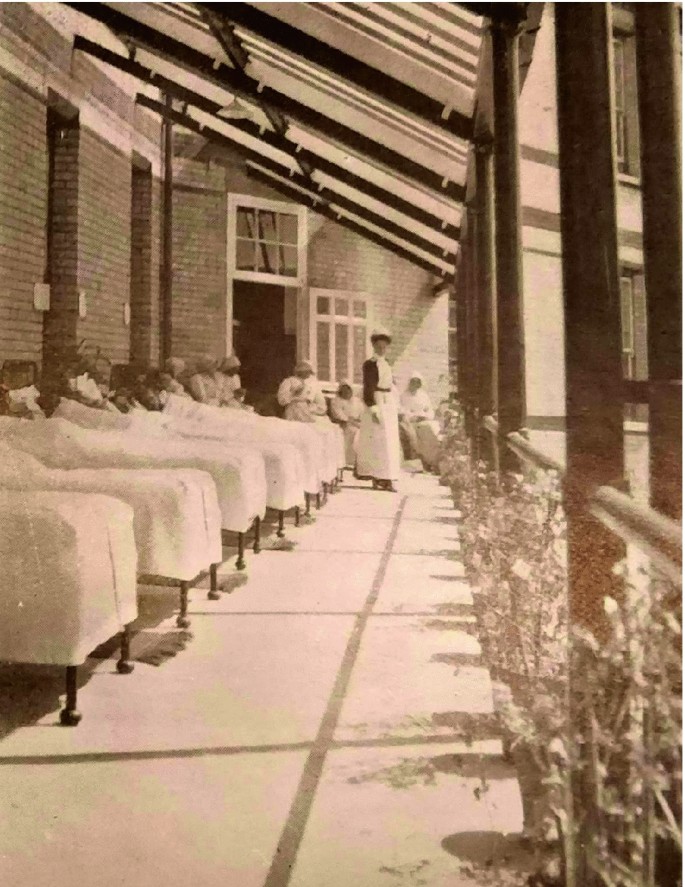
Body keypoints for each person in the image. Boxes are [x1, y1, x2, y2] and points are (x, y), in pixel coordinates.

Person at [356, 328, 401, 492]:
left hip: (388, 403)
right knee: (377, 442)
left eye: (384, 346)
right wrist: (373, 408)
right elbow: (368, 386)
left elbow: (391, 385)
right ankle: (377, 477)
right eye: (379, 346)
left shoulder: (387, 363)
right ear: (374, 346)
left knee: (389, 442)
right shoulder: (369, 364)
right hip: (376, 401)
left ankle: (388, 478)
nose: (381, 349)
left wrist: (395, 404)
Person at [399, 372, 441, 471]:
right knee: (413, 434)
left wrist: (425, 416)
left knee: (431, 430)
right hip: (410, 422)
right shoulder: (404, 396)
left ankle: (431, 460)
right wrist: (412, 416)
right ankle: (418, 460)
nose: (415, 385)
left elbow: (429, 410)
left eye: (417, 383)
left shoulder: (423, 396)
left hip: (423, 421)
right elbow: (402, 410)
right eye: (413, 382)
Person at [330, 381, 363, 468]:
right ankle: (348, 461)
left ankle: (359, 461)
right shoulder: (336, 401)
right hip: (343, 424)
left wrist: (359, 421)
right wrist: (351, 421)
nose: (346, 392)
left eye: (348, 390)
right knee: (352, 432)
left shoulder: (356, 401)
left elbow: (362, 413)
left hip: (357, 423)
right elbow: (339, 415)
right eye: (344, 390)